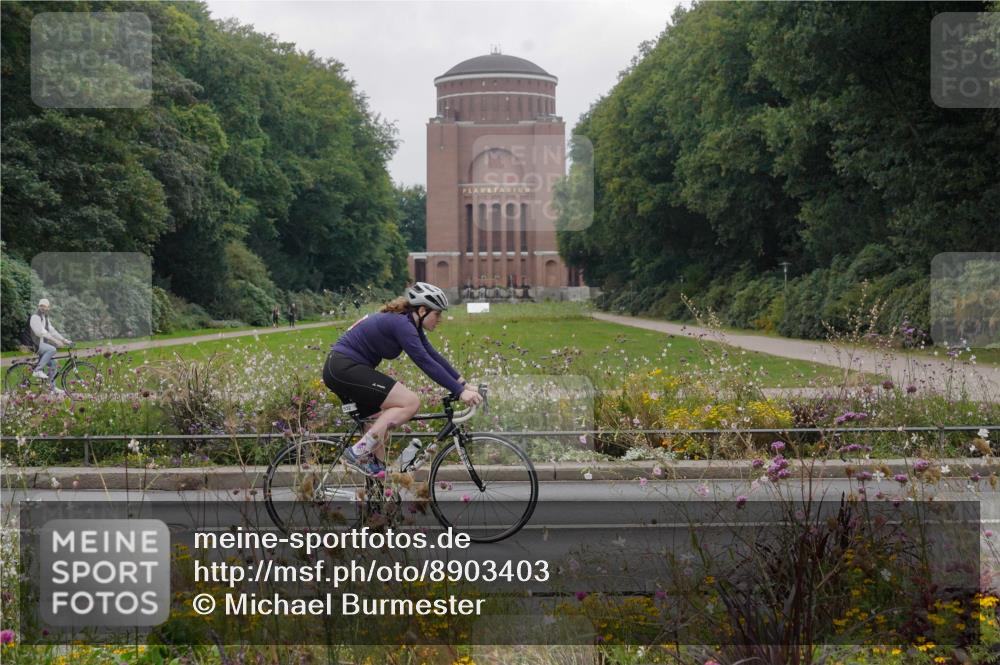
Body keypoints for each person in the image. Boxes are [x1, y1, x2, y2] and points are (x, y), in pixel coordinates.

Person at [322, 282, 482, 475]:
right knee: (410, 402)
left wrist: (463, 384)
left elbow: (432, 355)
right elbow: (424, 362)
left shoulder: (408, 323)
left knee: (378, 429)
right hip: (344, 367)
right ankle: (356, 453)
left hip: (344, 368)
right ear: (422, 310)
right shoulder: (401, 324)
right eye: (437, 313)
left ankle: (377, 496)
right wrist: (459, 392)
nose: (440, 319)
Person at [29, 298, 72, 391]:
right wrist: (55, 341)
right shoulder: (35, 317)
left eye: (45, 306)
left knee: (53, 363)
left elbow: (52, 331)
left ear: (48, 308)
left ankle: (52, 388)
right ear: (38, 306)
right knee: (52, 349)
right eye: (41, 306)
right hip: (34, 344)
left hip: (41, 344)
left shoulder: (45, 318)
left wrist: (64, 340)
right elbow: (40, 332)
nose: (43, 308)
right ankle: (37, 370)